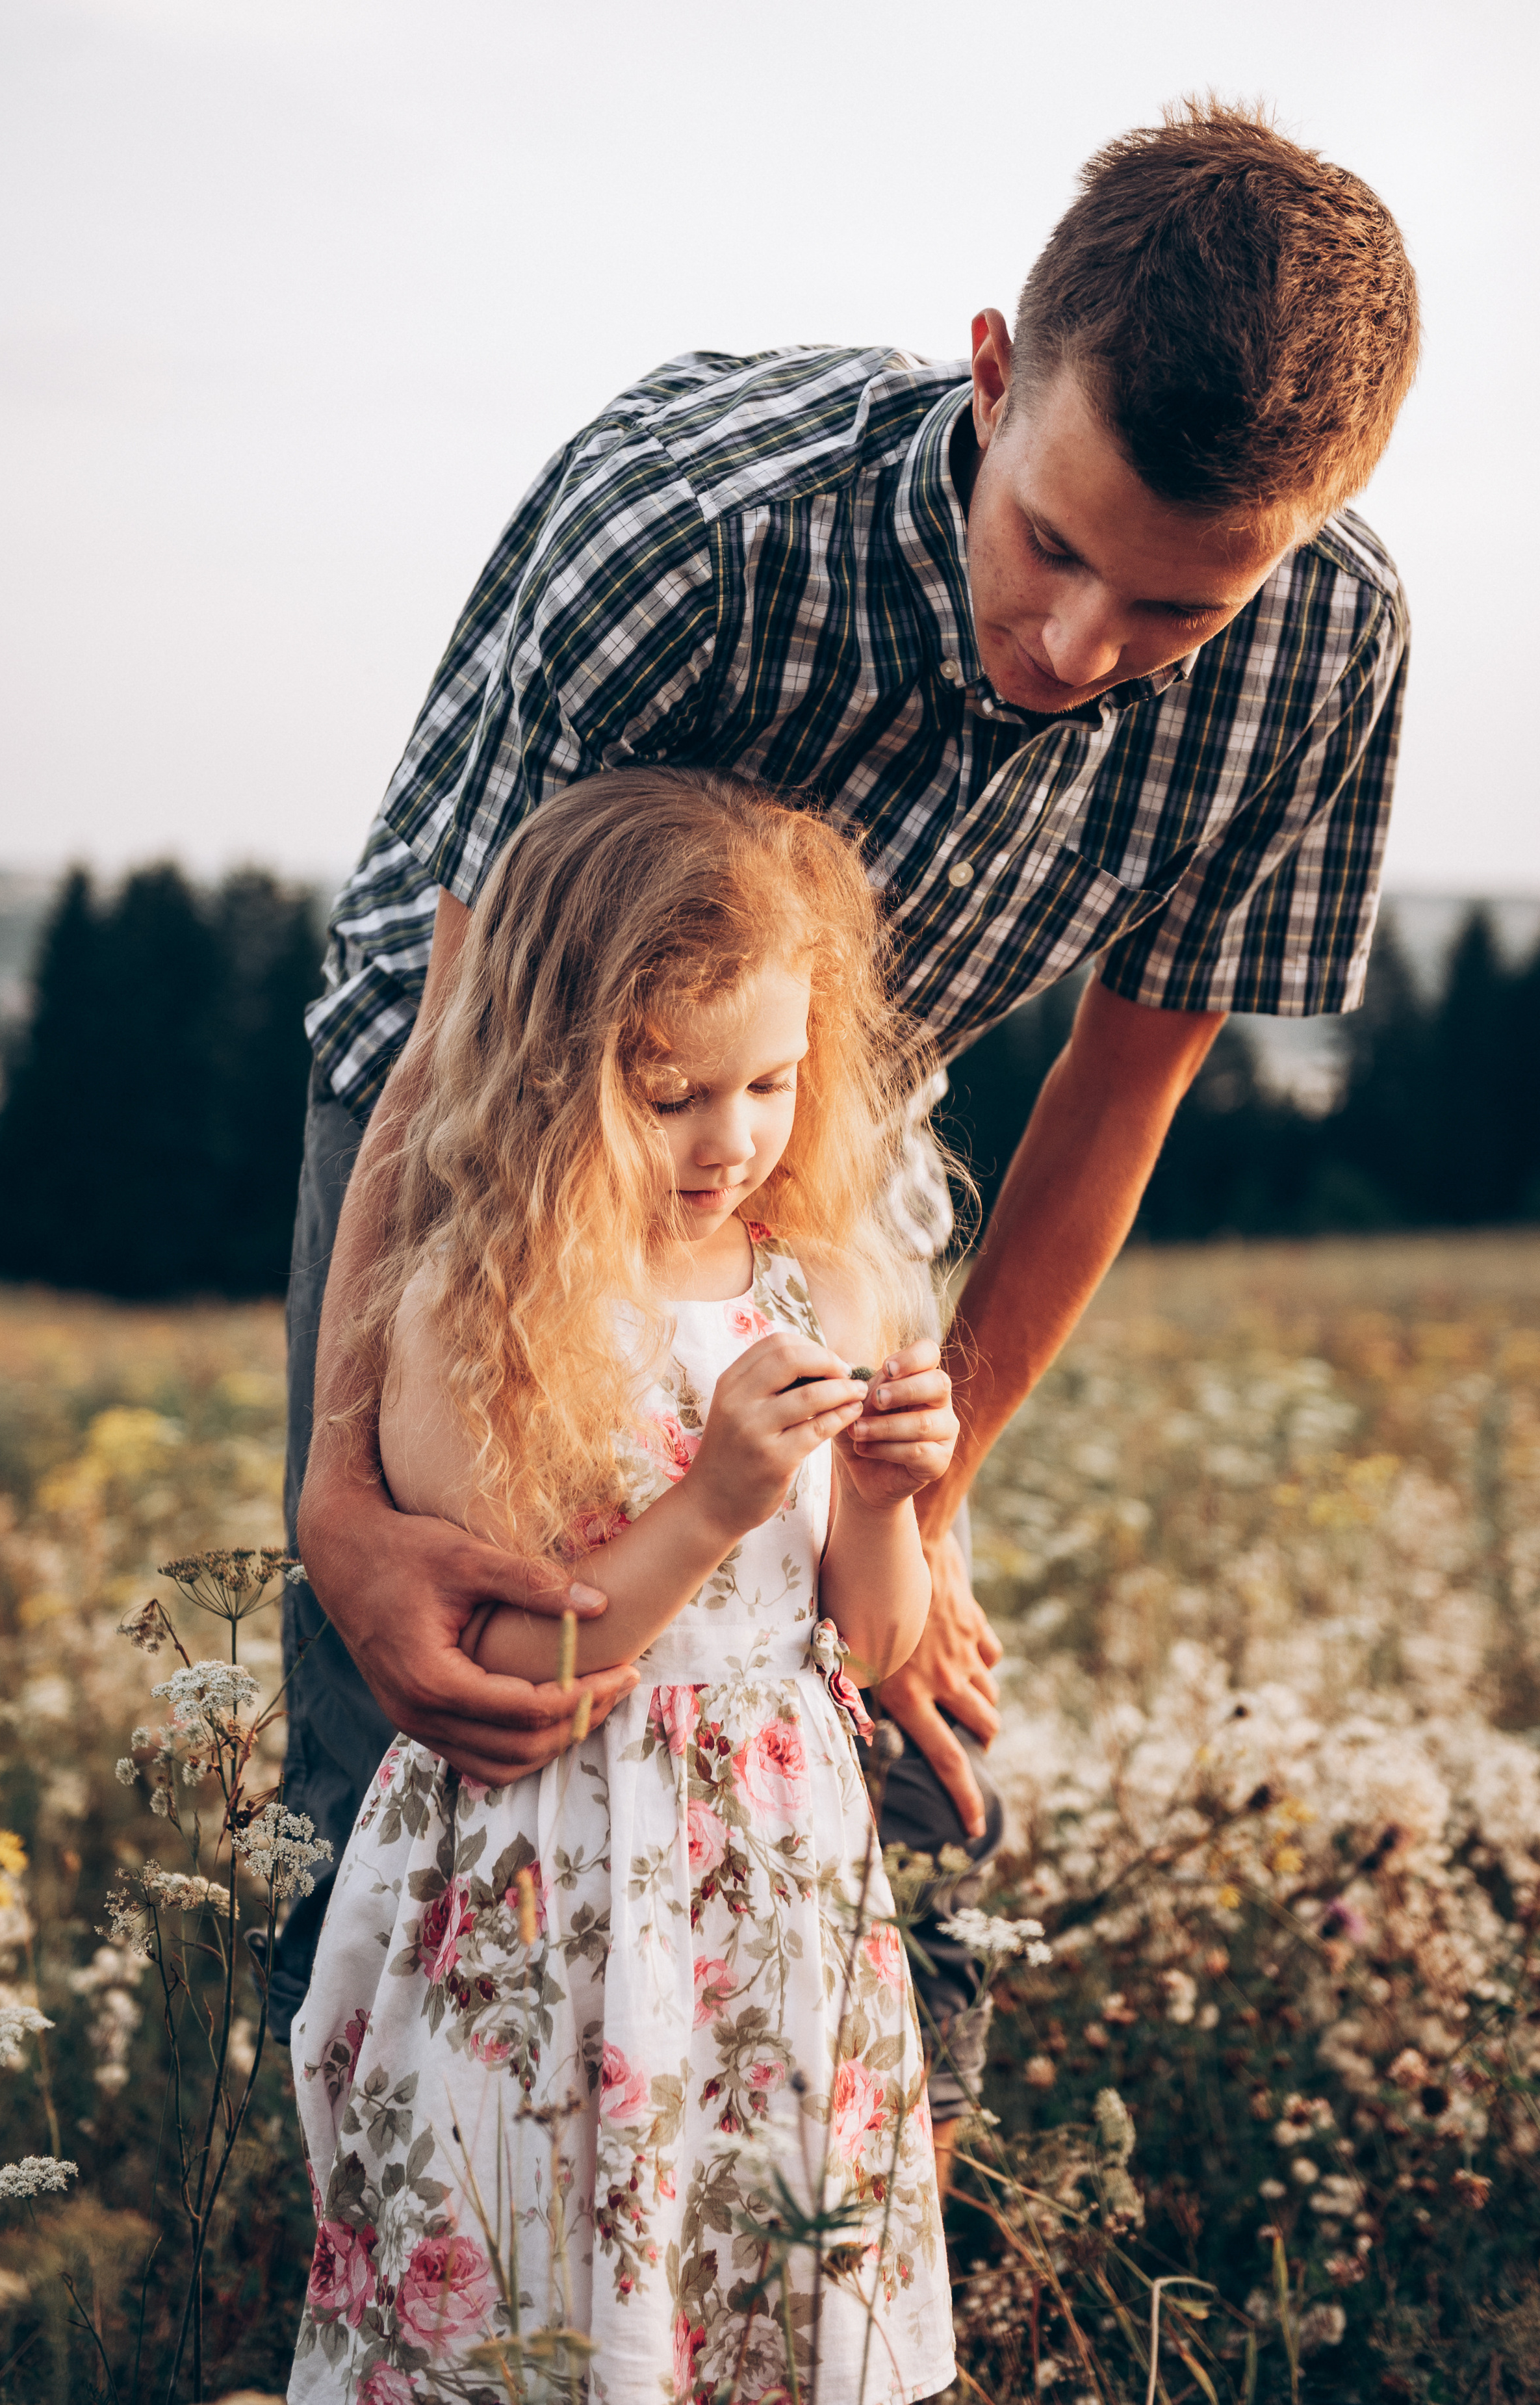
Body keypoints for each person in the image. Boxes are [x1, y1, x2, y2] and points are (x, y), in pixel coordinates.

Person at [276, 99, 1421, 2176]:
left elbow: (1117, 1092)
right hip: (476, 1096)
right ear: (992, 373)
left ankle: (811, 2240)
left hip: (823, 1135)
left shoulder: (1337, 650)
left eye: (1179, 609)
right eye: (1053, 543)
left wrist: (927, 1471)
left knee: (877, 1716)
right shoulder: (692, 527)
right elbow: (463, 1042)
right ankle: (418, 2258)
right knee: (444, 1694)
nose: (1083, 651)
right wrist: (340, 1501)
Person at [290, 772, 959, 2404]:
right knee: (528, 2290)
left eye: (773, 1082)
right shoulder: (482, 1305)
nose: (731, 1140)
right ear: (544, 1073)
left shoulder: (813, 1281)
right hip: (554, 1882)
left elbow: (862, 1649)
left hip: (772, 1890)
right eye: (669, 1094)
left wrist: (881, 1500)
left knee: (751, 2280)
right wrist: (712, 1499)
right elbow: (507, 1661)